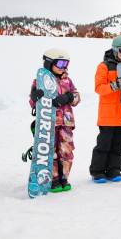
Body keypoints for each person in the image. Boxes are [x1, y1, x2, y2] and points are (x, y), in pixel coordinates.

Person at [29, 48, 81, 193]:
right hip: (49, 122)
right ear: (49, 62)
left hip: (66, 123)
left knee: (66, 150)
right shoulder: (40, 81)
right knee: (50, 150)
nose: (63, 67)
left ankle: (64, 177)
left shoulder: (67, 80)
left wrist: (69, 97)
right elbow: (32, 103)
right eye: (60, 63)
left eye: (66, 64)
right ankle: (53, 178)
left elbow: (77, 98)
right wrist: (35, 98)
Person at [89, 35, 121, 183]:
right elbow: (99, 88)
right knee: (104, 145)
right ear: (115, 49)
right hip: (108, 116)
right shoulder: (104, 66)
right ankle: (98, 171)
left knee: (119, 146)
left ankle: (114, 170)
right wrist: (114, 85)